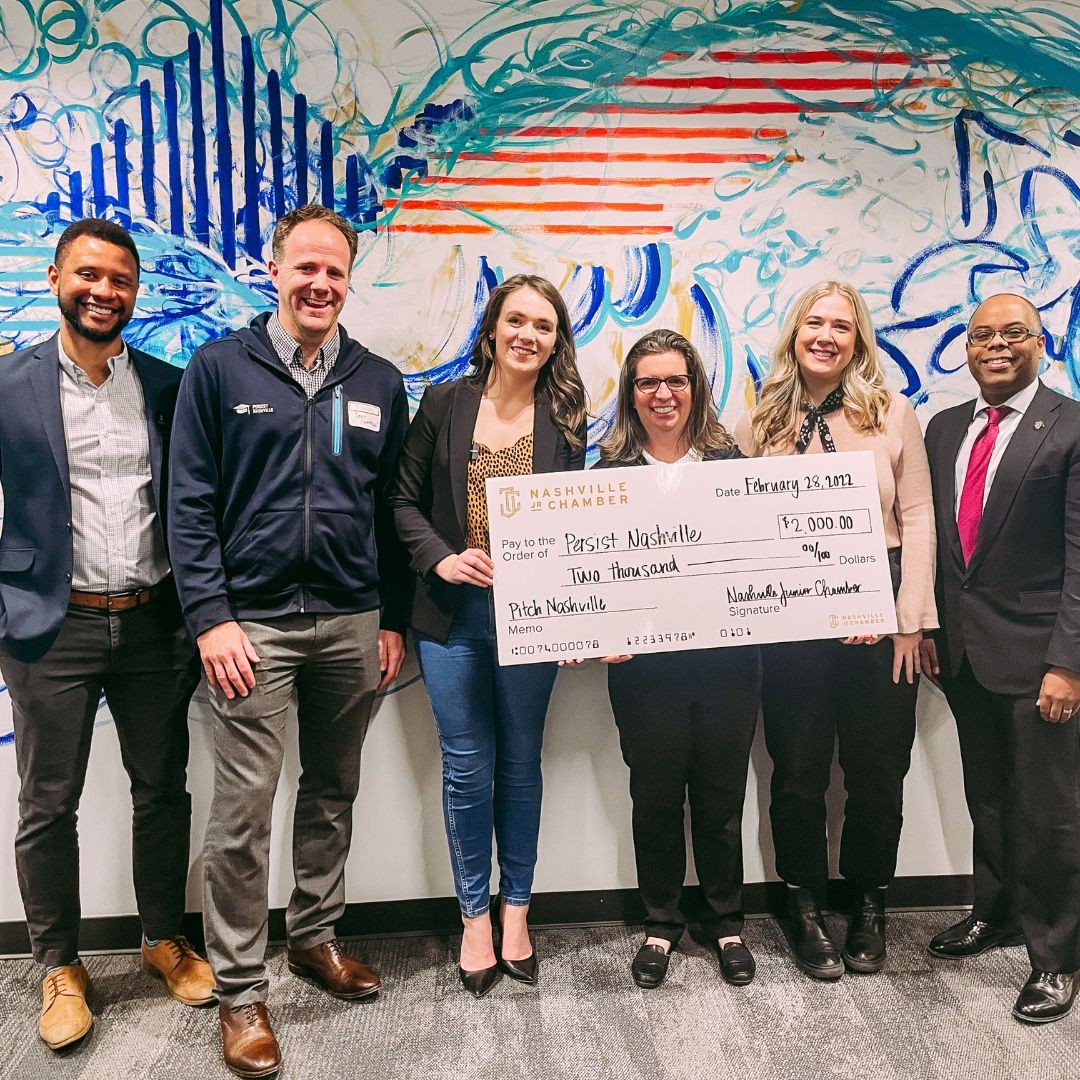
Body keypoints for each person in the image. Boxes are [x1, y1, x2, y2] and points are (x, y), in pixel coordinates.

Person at [168, 204, 410, 1076]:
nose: (320, 283)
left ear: (349, 281)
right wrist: (210, 617)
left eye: (335, 271)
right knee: (241, 814)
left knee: (333, 790)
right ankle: (240, 990)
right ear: (274, 271)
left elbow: (390, 509)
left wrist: (391, 617)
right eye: (305, 267)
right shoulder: (219, 367)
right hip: (252, 627)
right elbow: (189, 500)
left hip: (351, 621)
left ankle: (313, 936)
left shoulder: (379, 380)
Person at [0, 219, 212, 1051]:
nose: (104, 291)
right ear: (56, 278)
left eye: (120, 279)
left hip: (155, 622)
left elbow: (192, 502)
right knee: (47, 803)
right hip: (50, 627)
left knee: (161, 790)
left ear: (135, 292)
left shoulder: (167, 385)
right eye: (88, 274)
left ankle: (162, 937)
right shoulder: (9, 383)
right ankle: (58, 965)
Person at [390, 274, 587, 997]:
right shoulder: (445, 403)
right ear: (493, 329)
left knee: (521, 764)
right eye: (517, 320)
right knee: (466, 768)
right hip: (451, 619)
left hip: (531, 620)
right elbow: (401, 500)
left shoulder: (566, 420)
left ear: (556, 341)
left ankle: (516, 911)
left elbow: (574, 528)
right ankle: (474, 916)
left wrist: (579, 613)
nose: (528, 335)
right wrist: (440, 557)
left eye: (544, 325)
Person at [735, 280, 937, 980]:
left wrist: (907, 620)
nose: (825, 336)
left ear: (858, 340)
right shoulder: (758, 420)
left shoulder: (892, 413)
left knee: (878, 772)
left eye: (841, 326)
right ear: (795, 333)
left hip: (882, 619)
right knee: (797, 773)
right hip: (790, 622)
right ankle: (803, 904)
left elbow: (918, 517)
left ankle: (869, 902)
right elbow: (737, 523)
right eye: (814, 323)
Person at [920, 293, 1080, 1024]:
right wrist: (928, 627)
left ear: (1040, 343)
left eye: (1013, 332)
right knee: (987, 795)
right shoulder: (944, 427)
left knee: (1051, 813)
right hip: (963, 653)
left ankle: (1057, 957)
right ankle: (998, 911)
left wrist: (1069, 663)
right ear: (967, 349)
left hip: (1041, 660)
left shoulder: (1070, 427)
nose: (997, 345)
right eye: (982, 335)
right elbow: (939, 544)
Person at [593, 329, 761, 989]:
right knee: (655, 798)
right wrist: (592, 630)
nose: (662, 394)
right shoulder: (605, 479)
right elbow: (590, 575)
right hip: (644, 672)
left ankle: (725, 921)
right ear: (631, 394)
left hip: (727, 666)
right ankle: (660, 924)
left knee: (721, 798)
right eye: (648, 382)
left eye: (676, 381)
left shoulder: (733, 467)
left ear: (696, 389)